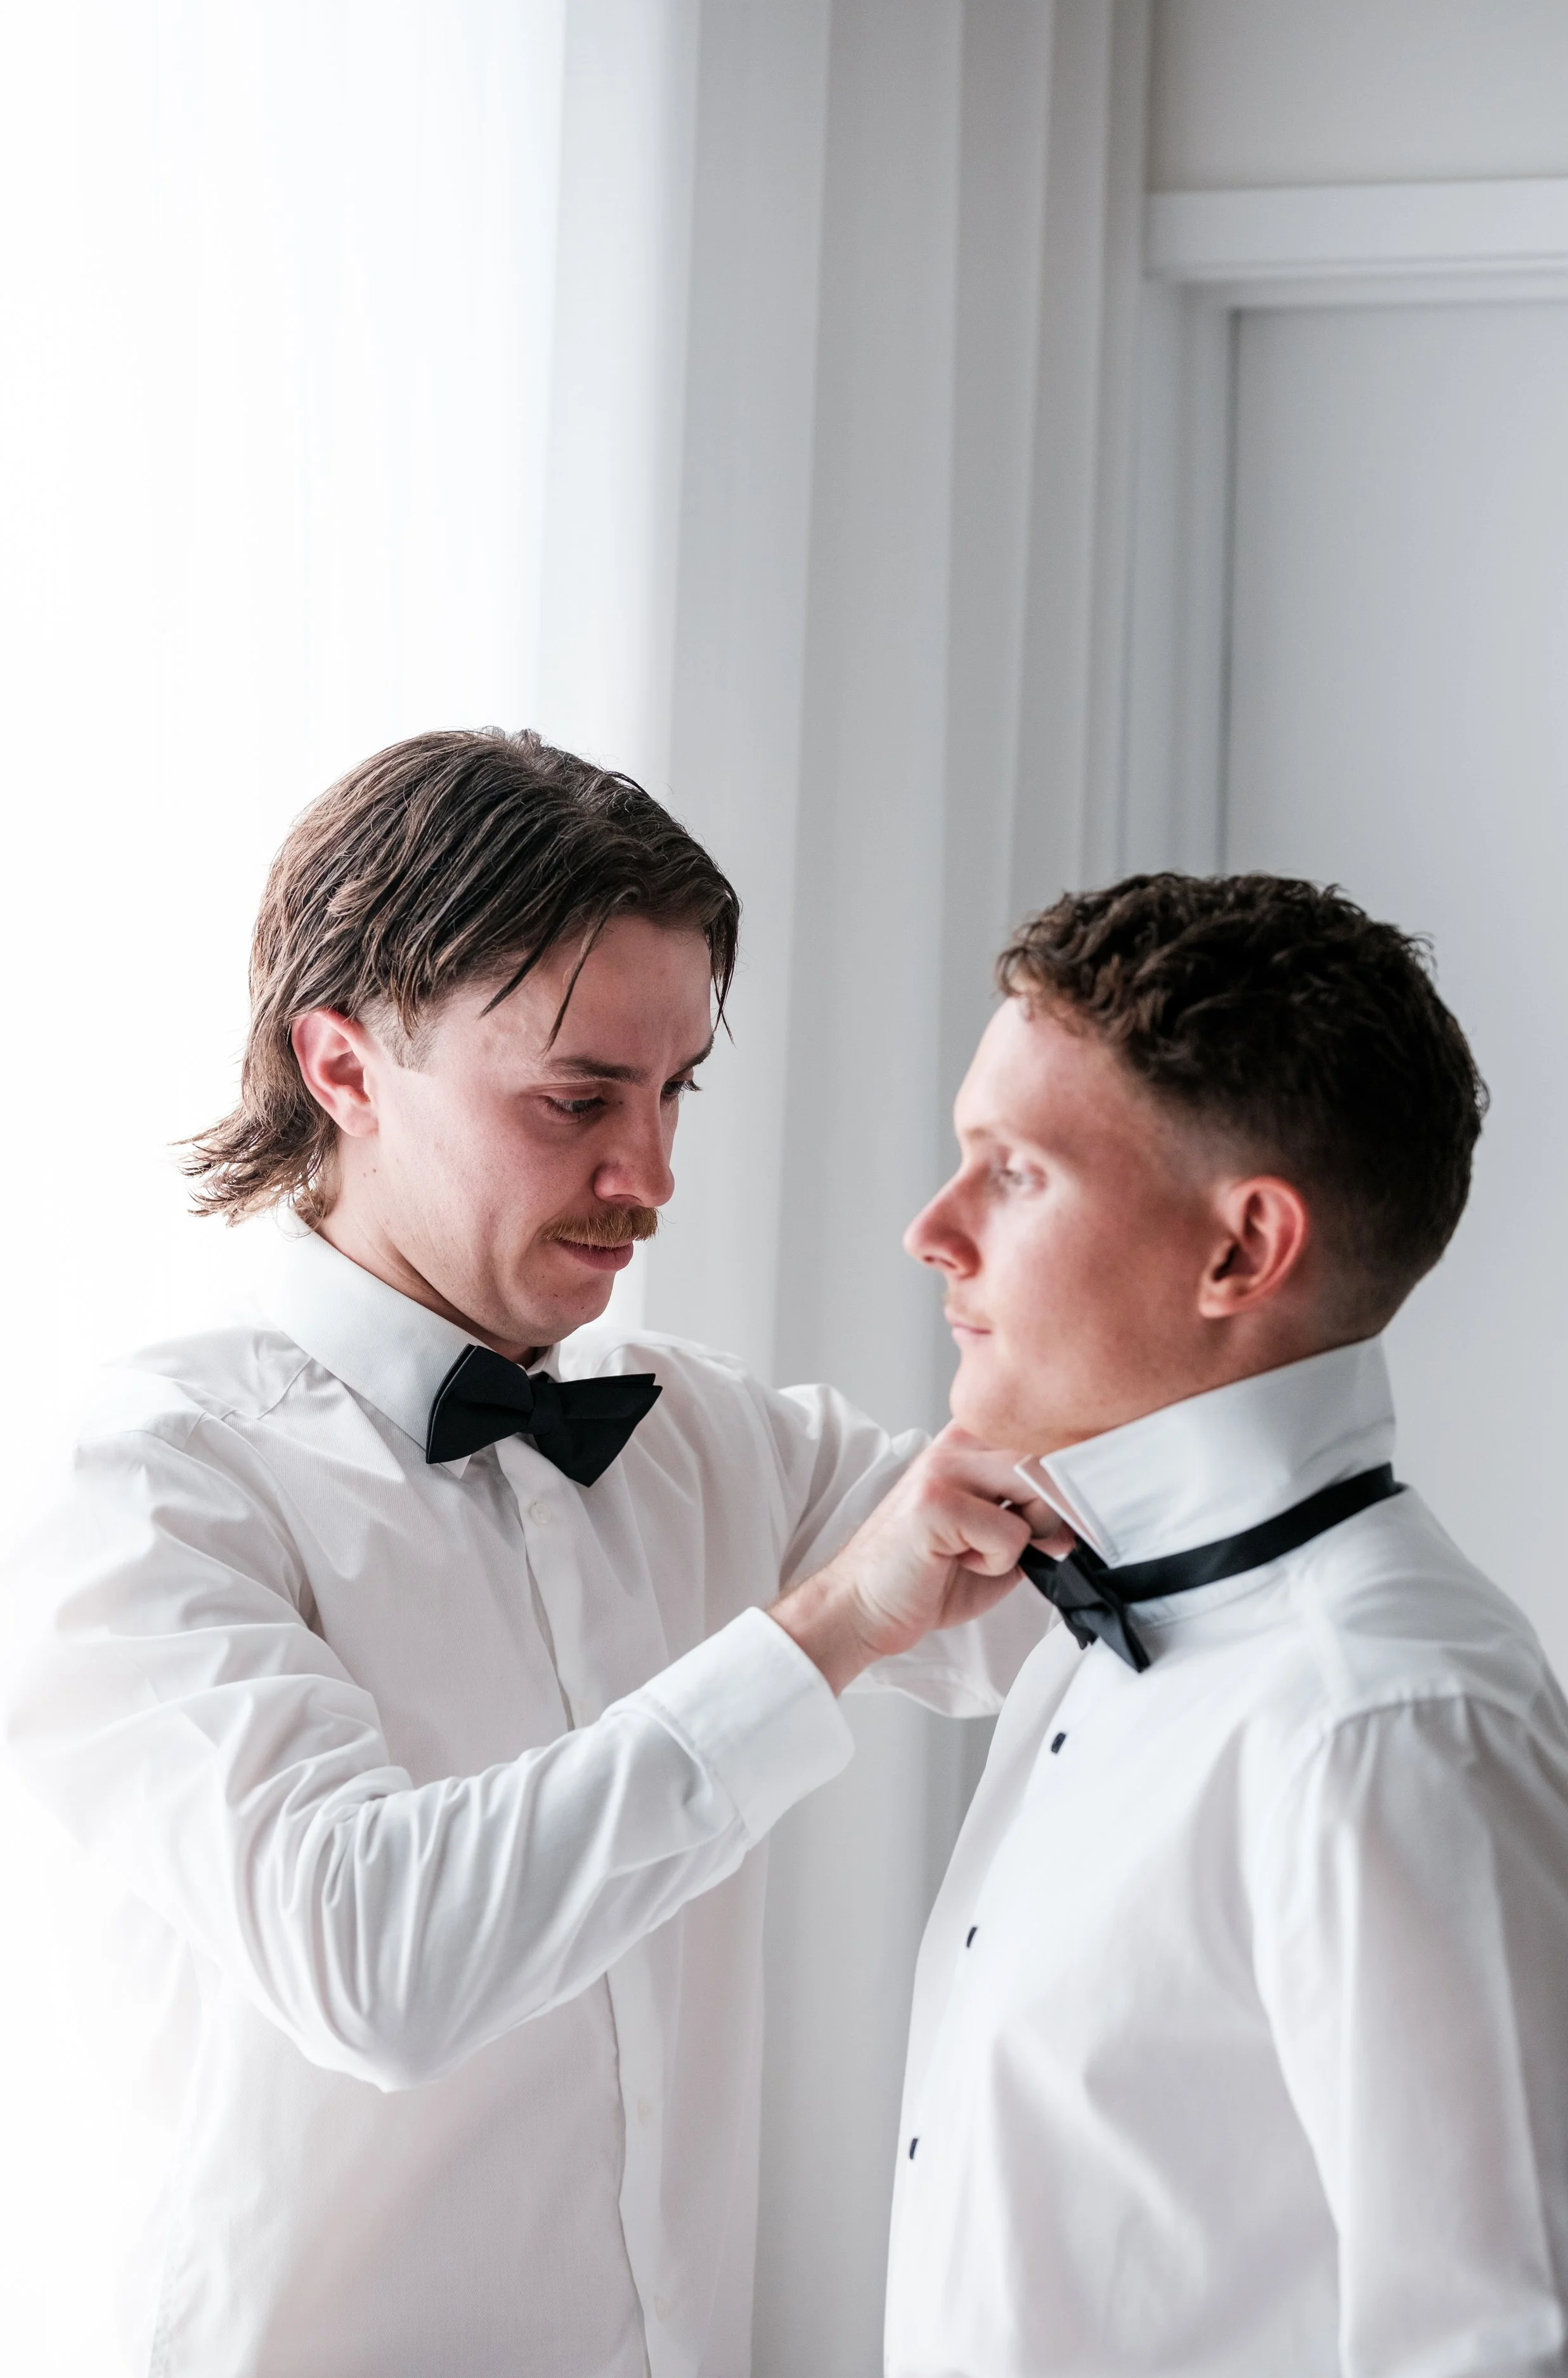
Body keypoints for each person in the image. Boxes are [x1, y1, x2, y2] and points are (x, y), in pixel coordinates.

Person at [0, 729, 1054, 2378]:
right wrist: (825, 1628)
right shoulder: (145, 1485)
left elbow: (1037, 1600)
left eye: (673, 1087)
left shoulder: (702, 1433)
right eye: (576, 1098)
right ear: (342, 1064)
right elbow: (375, 1962)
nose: (651, 1175)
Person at [861, 871, 1568, 2377]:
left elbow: (1501, 2344)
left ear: (1240, 1251)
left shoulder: (1384, 1719)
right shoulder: (1097, 1627)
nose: (929, 1231)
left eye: (1011, 1173)